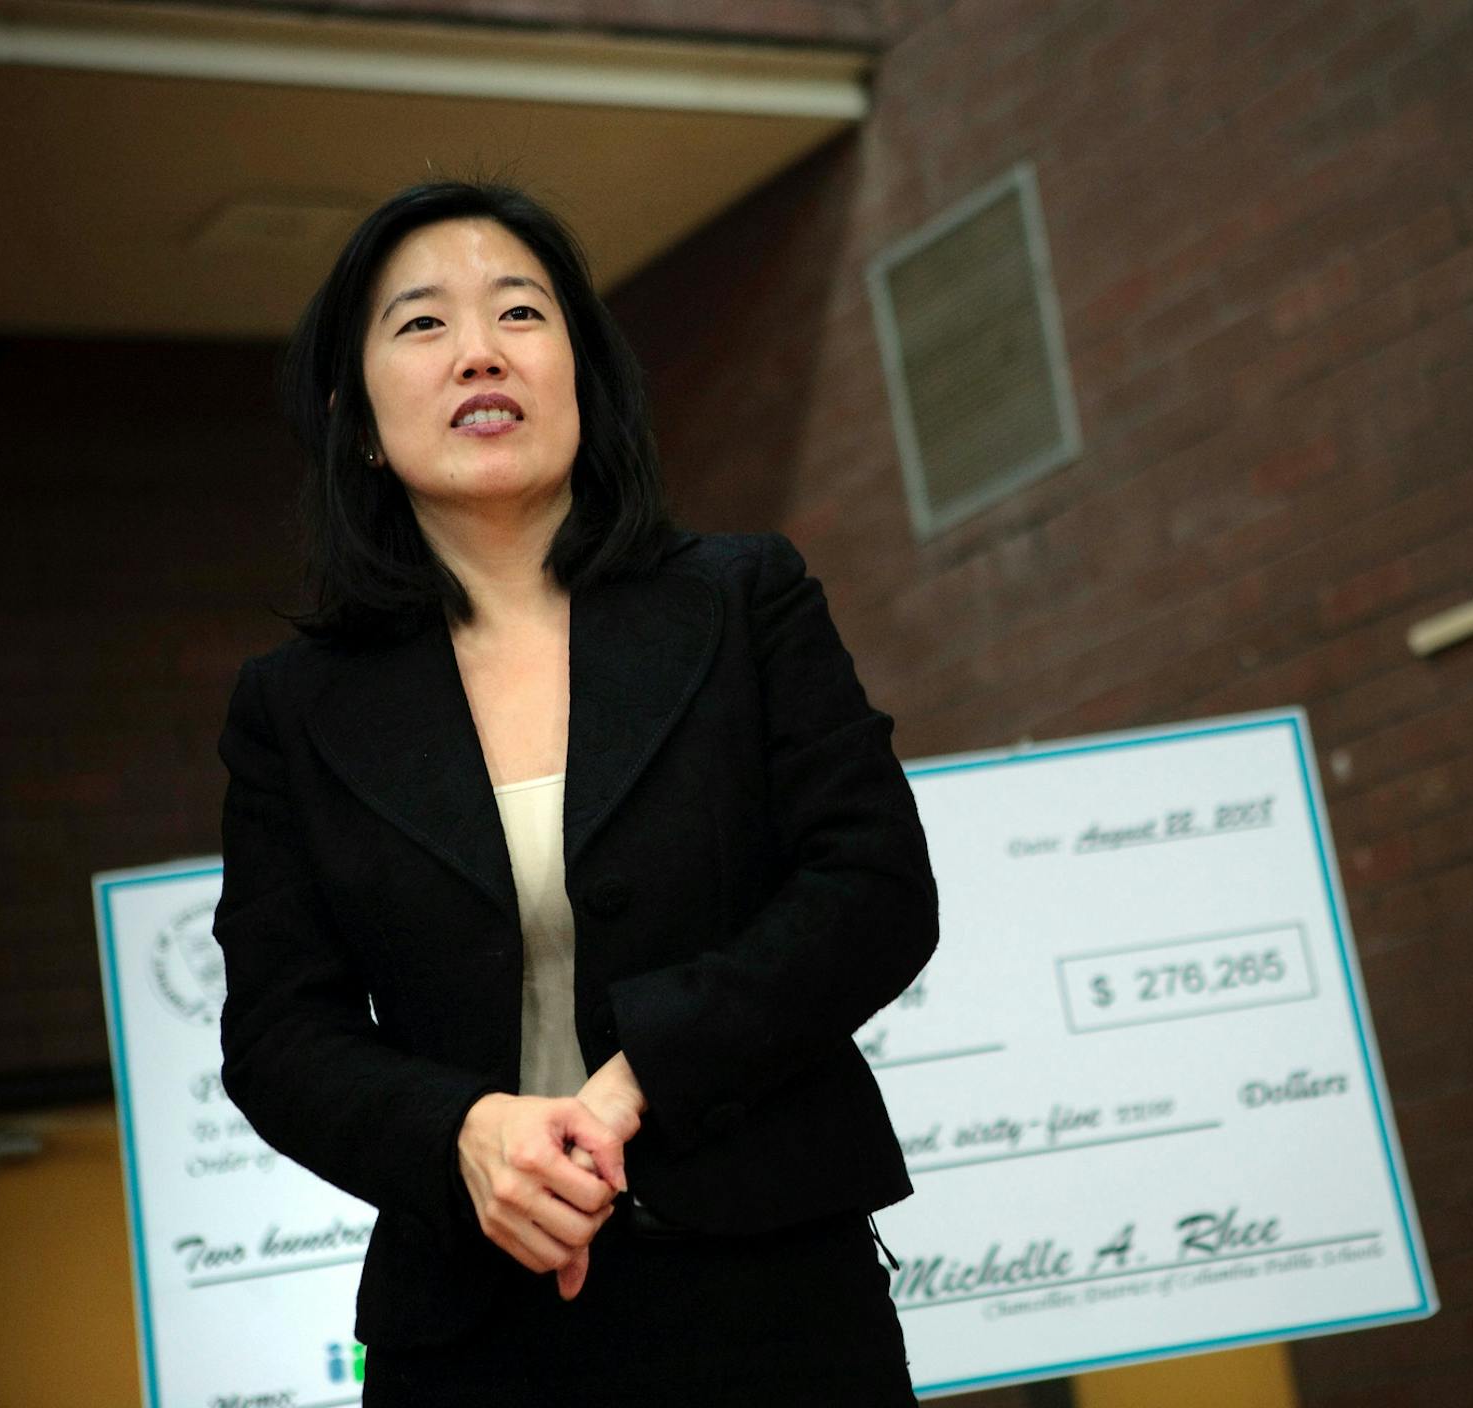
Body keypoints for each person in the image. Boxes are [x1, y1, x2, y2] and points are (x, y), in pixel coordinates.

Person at [212, 180, 937, 1403]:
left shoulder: (744, 601)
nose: (480, 352)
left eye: (520, 312)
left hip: (775, 1297)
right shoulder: (293, 708)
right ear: (359, 423)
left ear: (584, 377)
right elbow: (280, 1035)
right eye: (423, 323)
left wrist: (637, 1078)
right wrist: (464, 1134)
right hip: (471, 1328)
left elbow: (872, 890)